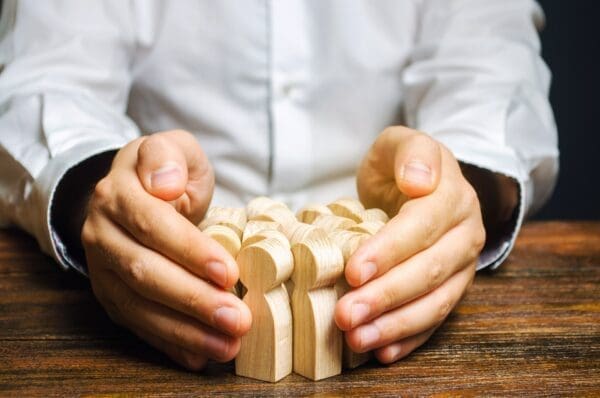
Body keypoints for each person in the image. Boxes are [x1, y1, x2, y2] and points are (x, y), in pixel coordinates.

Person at [0, 1, 558, 370]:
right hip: (188, 254)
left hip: (377, 260)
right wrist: (102, 195)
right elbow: (48, 82)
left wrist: (460, 193)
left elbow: (491, 71)